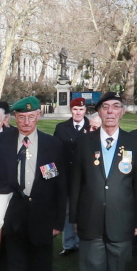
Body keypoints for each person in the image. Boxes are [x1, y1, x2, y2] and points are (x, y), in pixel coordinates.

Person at [66, 92, 137, 271]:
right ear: (99, 112)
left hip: (122, 222)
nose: (110, 112)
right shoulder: (84, 142)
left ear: (122, 111)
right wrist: (74, 218)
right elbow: (76, 183)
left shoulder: (134, 142)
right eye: (106, 108)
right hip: (89, 220)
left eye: (115, 107)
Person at [0, 97, 68, 271]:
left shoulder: (52, 144)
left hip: (42, 217)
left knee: (42, 270)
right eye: (21, 117)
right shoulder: (3, 142)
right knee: (16, 270)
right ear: (14, 118)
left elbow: (60, 186)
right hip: (12, 216)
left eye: (31, 117)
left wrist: (58, 222)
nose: (26, 122)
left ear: (38, 116)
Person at [54, 95, 94, 256]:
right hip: (67, 175)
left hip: (86, 175)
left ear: (85, 110)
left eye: (81, 109)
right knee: (68, 210)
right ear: (71, 110)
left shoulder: (92, 126)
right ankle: (69, 244)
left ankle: (83, 242)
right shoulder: (61, 127)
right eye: (75, 109)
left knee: (84, 210)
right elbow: (56, 151)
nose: (78, 112)